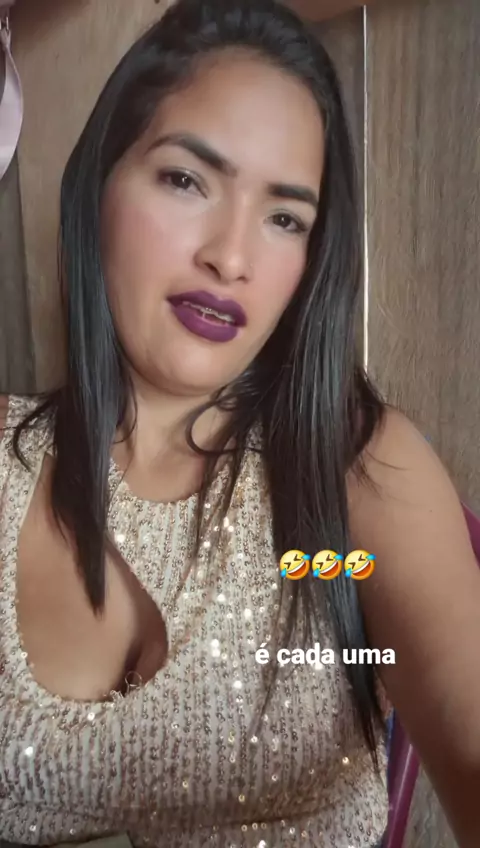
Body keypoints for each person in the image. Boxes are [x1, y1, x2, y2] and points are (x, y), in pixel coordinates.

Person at [0, 0, 479, 846]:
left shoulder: (356, 465)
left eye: (285, 218)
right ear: (99, 184)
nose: (230, 256)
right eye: (186, 180)